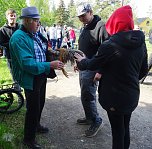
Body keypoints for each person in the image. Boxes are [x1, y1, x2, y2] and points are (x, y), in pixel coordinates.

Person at [75, 5, 148, 149]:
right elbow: (143, 70)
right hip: (131, 95)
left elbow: (92, 64)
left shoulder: (110, 45)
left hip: (115, 97)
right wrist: (129, 78)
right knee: (125, 128)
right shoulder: (141, 43)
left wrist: (82, 61)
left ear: (114, 23)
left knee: (118, 132)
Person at [9, 6, 64, 149]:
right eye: (36, 21)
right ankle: (28, 139)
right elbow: (27, 64)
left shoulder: (34, 32)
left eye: (39, 21)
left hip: (40, 74)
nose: (39, 24)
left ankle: (37, 125)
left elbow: (41, 48)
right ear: (27, 21)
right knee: (33, 108)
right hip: (30, 77)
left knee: (40, 103)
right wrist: (49, 65)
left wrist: (50, 52)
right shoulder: (18, 38)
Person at [75, 2, 109, 137]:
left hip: (92, 68)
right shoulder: (86, 26)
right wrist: (77, 63)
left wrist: (100, 71)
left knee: (89, 96)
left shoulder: (101, 26)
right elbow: (82, 47)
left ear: (90, 12)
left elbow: (107, 51)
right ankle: (89, 117)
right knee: (84, 95)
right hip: (84, 67)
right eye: (79, 17)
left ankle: (96, 120)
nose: (81, 18)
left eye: (83, 15)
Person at [0, 9, 20, 82]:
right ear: (7, 17)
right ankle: (17, 90)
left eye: (14, 16)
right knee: (14, 75)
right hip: (11, 57)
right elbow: (1, 43)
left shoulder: (20, 28)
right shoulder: (2, 30)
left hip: (22, 55)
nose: (13, 17)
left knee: (24, 74)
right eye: (11, 16)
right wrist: (12, 44)